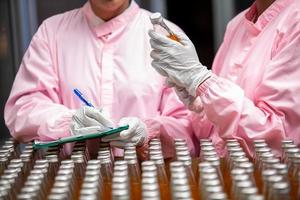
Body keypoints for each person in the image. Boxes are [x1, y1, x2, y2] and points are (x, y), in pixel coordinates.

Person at [4, 0, 196, 158]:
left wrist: (149, 132)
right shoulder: (52, 32)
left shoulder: (166, 37)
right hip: (71, 179)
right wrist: (68, 122)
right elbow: (23, 109)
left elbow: (191, 126)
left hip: (147, 179)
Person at [149, 0, 300, 157]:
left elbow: (279, 141)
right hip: (224, 173)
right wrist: (200, 106)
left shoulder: (296, 20)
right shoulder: (237, 25)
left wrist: (201, 80)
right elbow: (212, 136)